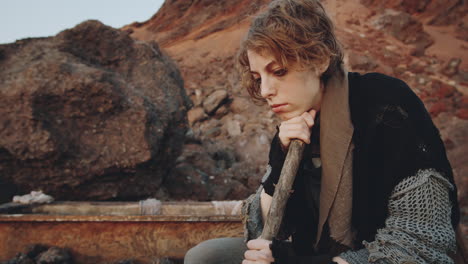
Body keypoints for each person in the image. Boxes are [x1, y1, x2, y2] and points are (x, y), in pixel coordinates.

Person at [184, 0, 462, 263]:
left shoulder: (386, 105)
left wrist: (291, 261)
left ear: (318, 60)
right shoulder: (295, 122)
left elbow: (418, 245)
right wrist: (280, 159)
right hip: (312, 255)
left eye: (279, 71)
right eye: (258, 79)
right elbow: (265, 229)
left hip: (378, 257)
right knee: (207, 256)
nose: (266, 91)